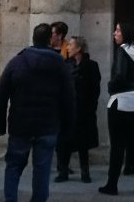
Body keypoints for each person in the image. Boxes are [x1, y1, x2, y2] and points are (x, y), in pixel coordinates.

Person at [0, 23, 75, 202]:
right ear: (49, 40)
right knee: (42, 170)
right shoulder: (59, 64)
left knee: (13, 166)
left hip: (21, 125)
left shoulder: (17, 62)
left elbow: (0, 96)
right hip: (47, 126)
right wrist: (67, 127)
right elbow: (69, 98)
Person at [99, 22, 134, 197]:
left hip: (122, 102)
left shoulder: (122, 51)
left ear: (126, 33)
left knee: (118, 146)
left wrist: (111, 86)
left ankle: (112, 184)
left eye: (118, 30)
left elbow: (120, 75)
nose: (115, 33)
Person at [55, 36, 100, 184]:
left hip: (84, 111)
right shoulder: (64, 65)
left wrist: (90, 109)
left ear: (79, 48)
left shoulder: (91, 66)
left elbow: (95, 90)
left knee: (83, 143)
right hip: (67, 110)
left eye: (71, 45)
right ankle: (63, 171)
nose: (67, 48)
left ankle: (85, 172)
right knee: (64, 142)